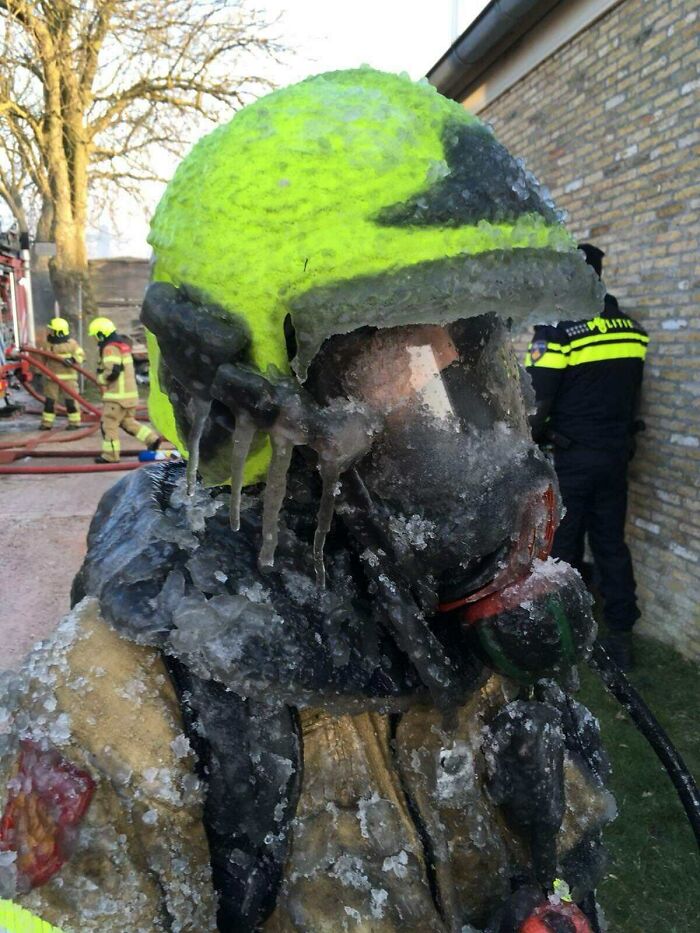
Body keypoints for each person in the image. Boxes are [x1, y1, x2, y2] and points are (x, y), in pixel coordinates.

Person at [1, 72, 613, 932]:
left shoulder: (470, 629)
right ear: (250, 402)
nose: (470, 419)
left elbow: (571, 855)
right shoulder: (115, 711)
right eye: (402, 352)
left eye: (475, 350)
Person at [526, 243, 648, 670]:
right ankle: (621, 637)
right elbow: (631, 394)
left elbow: (536, 402)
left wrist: (528, 445)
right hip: (615, 456)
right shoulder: (631, 329)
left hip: (571, 457)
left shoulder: (558, 330)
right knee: (611, 544)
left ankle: (568, 634)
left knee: (563, 547)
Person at [87, 316, 160, 462]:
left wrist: (100, 379)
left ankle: (110, 456)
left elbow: (112, 371)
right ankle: (151, 439)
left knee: (108, 424)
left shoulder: (110, 349)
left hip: (117, 397)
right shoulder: (121, 346)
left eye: (95, 336)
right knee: (127, 422)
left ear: (101, 334)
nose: (95, 339)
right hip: (129, 396)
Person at [37, 317, 84, 430]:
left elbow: (81, 355)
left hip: (69, 380)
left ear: (59, 332)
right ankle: (47, 423)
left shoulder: (72, 344)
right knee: (50, 402)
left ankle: (74, 423)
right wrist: (38, 372)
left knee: (71, 402)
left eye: (52, 331)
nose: (50, 332)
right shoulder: (47, 344)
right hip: (51, 379)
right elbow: (41, 360)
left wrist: (72, 360)